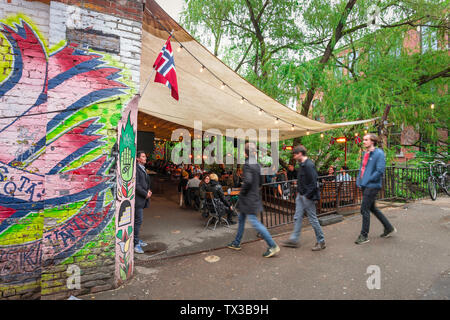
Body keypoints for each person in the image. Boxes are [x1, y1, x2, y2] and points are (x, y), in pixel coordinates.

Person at [227, 142, 280, 258]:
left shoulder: (247, 164)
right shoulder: (257, 164)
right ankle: (236, 243)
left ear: (245, 154)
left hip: (248, 198)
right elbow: (261, 181)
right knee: (241, 219)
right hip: (254, 195)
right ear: (254, 152)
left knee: (255, 222)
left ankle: (272, 245)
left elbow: (248, 181)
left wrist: (243, 192)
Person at [355, 134, 396, 244]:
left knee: (364, 209)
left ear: (372, 141)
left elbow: (380, 171)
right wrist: (359, 180)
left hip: (372, 185)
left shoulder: (379, 153)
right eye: (363, 140)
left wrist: (368, 180)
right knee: (372, 208)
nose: (363, 142)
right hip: (365, 184)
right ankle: (389, 228)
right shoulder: (365, 153)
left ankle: (364, 235)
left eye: (366, 140)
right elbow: (362, 168)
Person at [282, 145, 325, 251]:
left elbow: (314, 183)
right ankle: (294, 239)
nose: (294, 156)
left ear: (300, 153)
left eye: (295, 154)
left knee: (313, 219)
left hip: (307, 197)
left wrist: (307, 196)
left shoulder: (309, 165)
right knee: (297, 217)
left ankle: (321, 241)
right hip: (301, 196)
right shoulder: (302, 165)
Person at [134, 151, 152, 254]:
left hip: (142, 198)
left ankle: (136, 240)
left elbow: (145, 182)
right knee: (138, 221)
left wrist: (148, 190)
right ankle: (135, 244)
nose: (145, 158)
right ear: (137, 159)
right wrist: (145, 194)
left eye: (145, 156)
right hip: (138, 200)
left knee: (137, 221)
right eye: (143, 156)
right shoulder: (136, 169)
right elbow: (137, 185)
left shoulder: (142, 168)